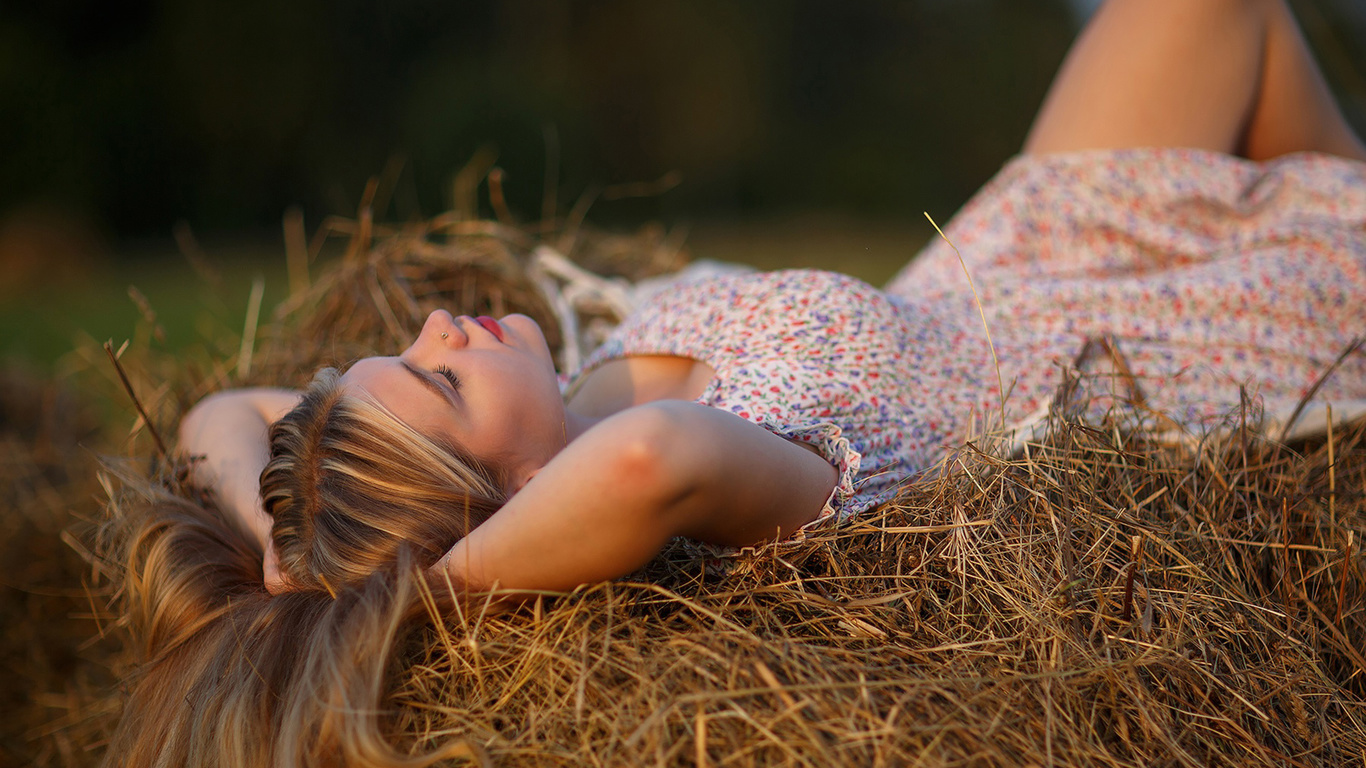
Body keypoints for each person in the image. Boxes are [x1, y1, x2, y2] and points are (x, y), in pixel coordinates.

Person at [115, 0, 1366, 764]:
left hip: (1007, 251)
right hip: (1145, 331)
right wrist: (418, 595)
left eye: (402, 354)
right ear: (522, 497)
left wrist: (274, 545)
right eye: (438, 383)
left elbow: (219, 417)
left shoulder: (565, 399)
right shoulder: (716, 469)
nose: (438, 324)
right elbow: (646, 469)